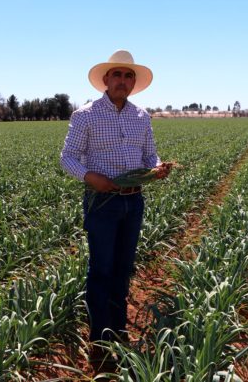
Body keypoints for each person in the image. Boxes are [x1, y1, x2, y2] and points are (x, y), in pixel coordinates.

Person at [60, 49, 171, 368]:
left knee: (122, 269)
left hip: (133, 201)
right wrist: (89, 176)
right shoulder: (85, 115)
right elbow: (67, 157)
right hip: (103, 203)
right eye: (117, 75)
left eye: (128, 76)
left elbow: (150, 156)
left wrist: (158, 167)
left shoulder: (142, 117)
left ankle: (119, 332)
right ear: (106, 80)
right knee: (101, 270)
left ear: (134, 83)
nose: (123, 81)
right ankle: (98, 340)